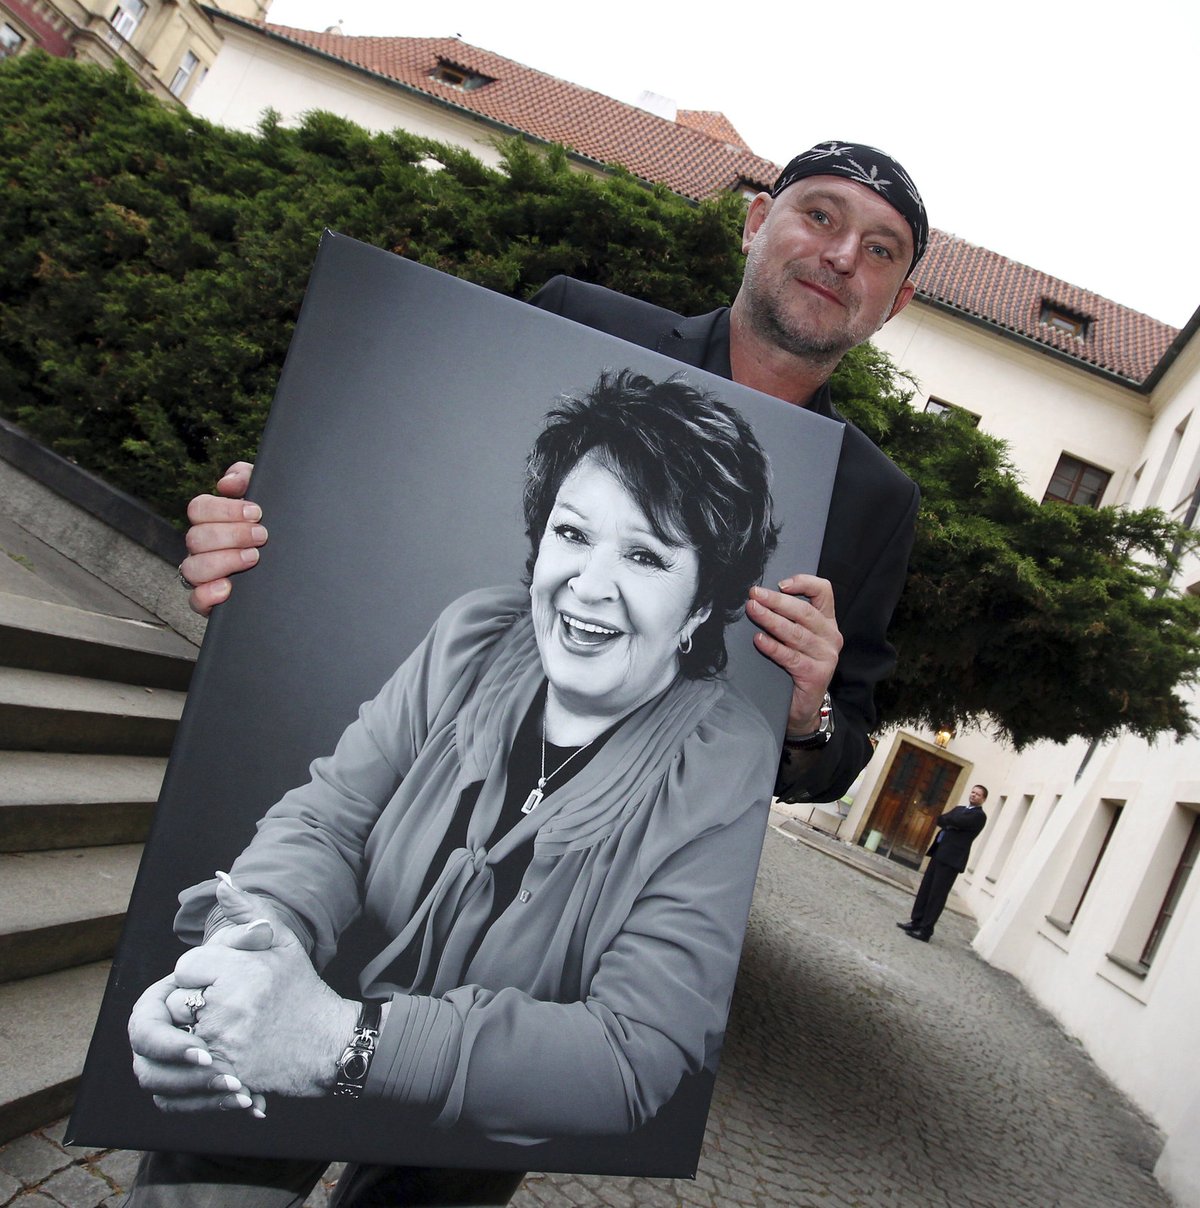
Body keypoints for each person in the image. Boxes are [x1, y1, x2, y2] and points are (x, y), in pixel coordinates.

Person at [124, 371, 781, 1202]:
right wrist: (239, 960)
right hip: (303, 1001)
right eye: (572, 533)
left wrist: (342, 1041)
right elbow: (329, 820)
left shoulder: (725, 761)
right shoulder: (475, 634)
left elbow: (634, 1052)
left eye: (646, 554)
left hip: (466, 1125)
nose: (588, 584)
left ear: (701, 606)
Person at [179, 139, 928, 811]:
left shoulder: (873, 499)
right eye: (822, 217)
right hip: (403, 767)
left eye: (880, 250)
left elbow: (834, 752)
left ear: (896, 302)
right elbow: (409, 512)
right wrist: (276, 528)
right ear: (756, 221)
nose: (842, 256)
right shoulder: (581, 329)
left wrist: (807, 716)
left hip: (618, 854)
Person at [898, 784, 989, 942]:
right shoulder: (960, 809)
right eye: (973, 792)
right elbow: (941, 819)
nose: (974, 795)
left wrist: (952, 821)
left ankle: (926, 930)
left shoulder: (979, 816)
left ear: (983, 799)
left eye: (978, 794)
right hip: (939, 853)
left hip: (952, 859)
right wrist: (952, 822)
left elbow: (957, 821)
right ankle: (916, 921)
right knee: (926, 889)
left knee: (937, 895)